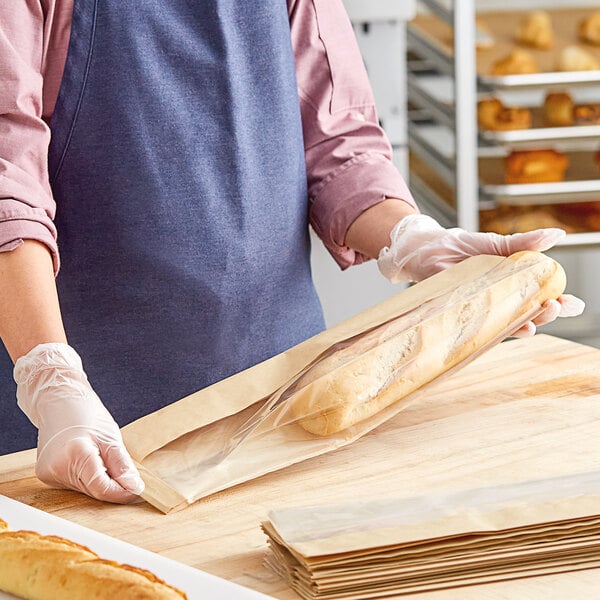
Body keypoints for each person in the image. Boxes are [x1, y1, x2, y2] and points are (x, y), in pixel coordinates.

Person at [0, 0, 583, 504]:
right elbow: (8, 177)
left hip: (280, 403)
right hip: (72, 415)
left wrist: (416, 241)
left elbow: (338, 140)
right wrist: (48, 377)